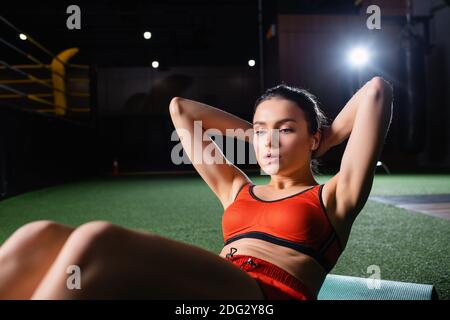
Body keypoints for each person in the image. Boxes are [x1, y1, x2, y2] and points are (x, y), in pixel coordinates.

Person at [0, 77, 393, 300]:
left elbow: (376, 91)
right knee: (40, 235)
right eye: (261, 131)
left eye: (286, 130)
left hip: (263, 300)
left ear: (312, 137)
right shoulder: (236, 189)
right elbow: (181, 109)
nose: (270, 142)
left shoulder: (333, 197)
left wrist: (326, 138)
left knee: (96, 237)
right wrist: (258, 135)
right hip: (213, 290)